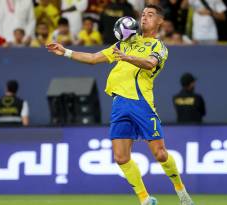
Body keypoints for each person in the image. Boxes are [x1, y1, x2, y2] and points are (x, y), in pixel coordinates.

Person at [47, 4, 194, 205]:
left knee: (160, 154)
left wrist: (128, 58)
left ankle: (182, 193)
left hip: (141, 103)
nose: (144, 18)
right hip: (119, 104)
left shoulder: (158, 47)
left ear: (160, 21)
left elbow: (150, 63)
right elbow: (92, 58)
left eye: (150, 15)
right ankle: (145, 199)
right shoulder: (124, 43)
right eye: (143, 14)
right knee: (121, 157)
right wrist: (66, 52)